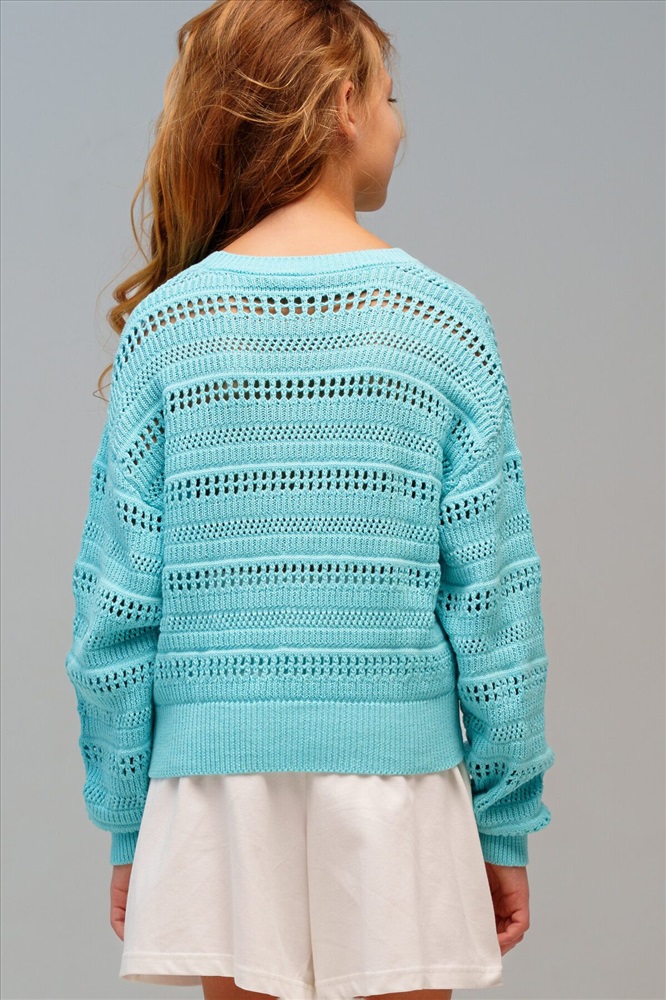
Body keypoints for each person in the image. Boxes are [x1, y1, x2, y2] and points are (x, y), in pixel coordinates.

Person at [64, 2, 556, 999]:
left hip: (213, 792)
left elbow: (115, 609)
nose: (401, 124)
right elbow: (495, 603)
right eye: (391, 96)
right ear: (342, 105)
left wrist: (128, 818)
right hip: (398, 787)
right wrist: (503, 819)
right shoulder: (443, 323)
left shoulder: (167, 328)